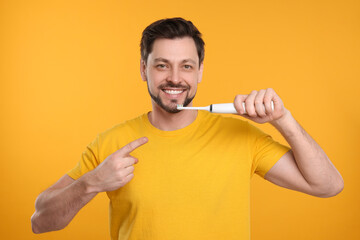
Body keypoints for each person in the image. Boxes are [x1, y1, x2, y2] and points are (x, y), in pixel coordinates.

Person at [31, 17, 344, 239]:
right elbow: (40, 221)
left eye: (186, 66)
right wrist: (91, 183)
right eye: (162, 65)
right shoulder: (112, 142)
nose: (175, 78)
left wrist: (283, 119)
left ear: (200, 71)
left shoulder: (242, 137)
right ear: (144, 69)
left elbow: (328, 186)